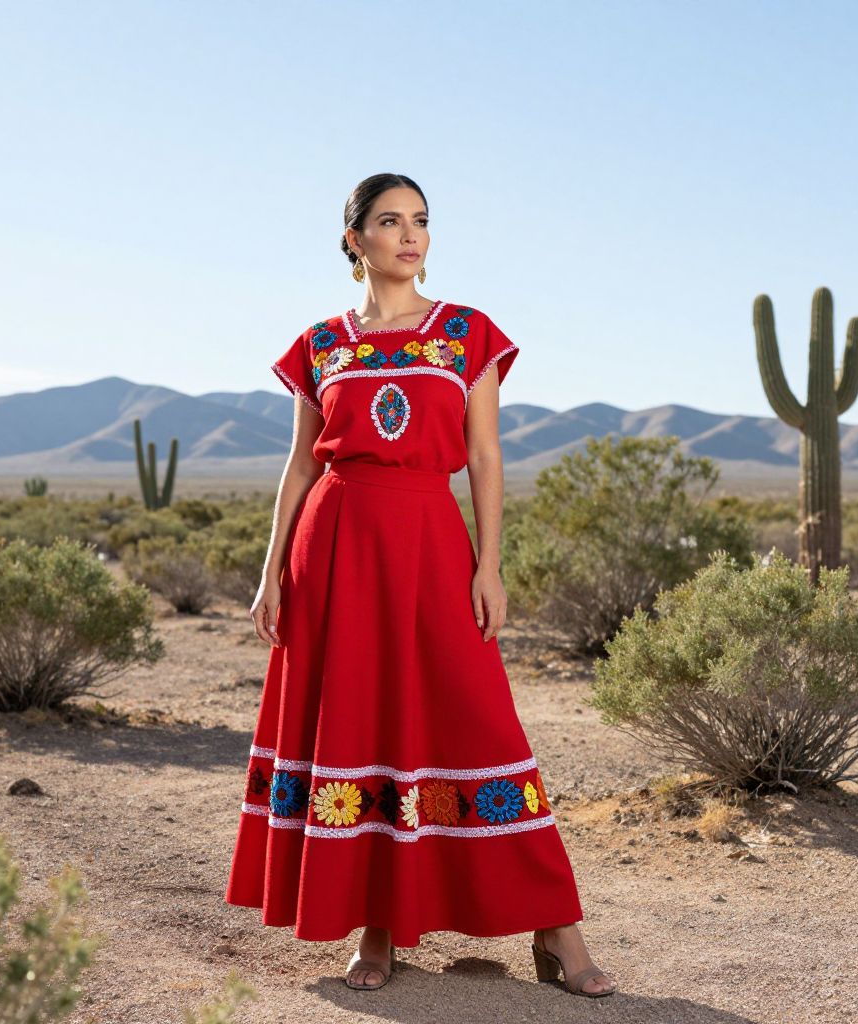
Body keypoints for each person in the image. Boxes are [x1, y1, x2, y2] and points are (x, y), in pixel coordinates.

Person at [224, 173, 618, 998]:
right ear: (354, 240)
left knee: (481, 719)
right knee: (361, 726)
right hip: (332, 547)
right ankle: (377, 931)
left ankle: (555, 925)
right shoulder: (321, 345)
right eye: (390, 222)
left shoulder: (466, 334)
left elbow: (484, 457)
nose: (411, 236)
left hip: (432, 546)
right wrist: (271, 572)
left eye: (422, 222)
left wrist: (491, 562)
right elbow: (301, 465)